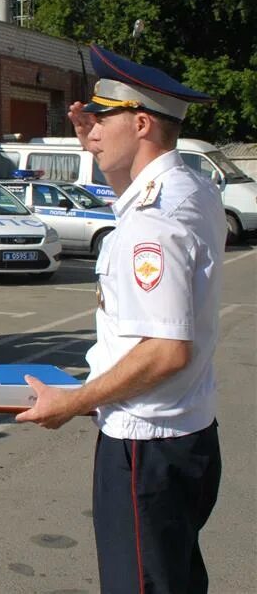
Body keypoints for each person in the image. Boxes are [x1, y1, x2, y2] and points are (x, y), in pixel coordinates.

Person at [16, 45, 223, 594]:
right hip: (182, 435)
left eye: (102, 118)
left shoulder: (155, 218)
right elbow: (138, 201)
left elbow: (166, 349)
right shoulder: (189, 188)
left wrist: (74, 402)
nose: (92, 128)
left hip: (145, 446)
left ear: (141, 121)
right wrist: (105, 157)